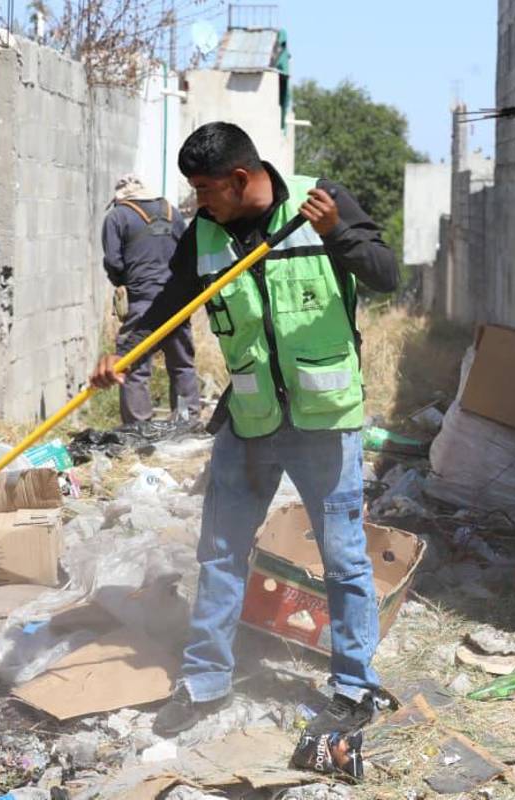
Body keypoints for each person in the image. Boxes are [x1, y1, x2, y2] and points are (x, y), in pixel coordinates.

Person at [91, 122, 399, 739]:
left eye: (205, 189)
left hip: (324, 418)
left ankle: (353, 688)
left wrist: (335, 231)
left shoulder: (320, 201)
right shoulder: (203, 233)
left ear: (239, 179)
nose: (196, 203)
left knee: (341, 561)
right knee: (222, 553)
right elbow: (167, 302)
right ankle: (205, 682)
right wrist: (125, 354)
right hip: (250, 416)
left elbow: (385, 272)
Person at [101, 174, 200, 424]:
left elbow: (113, 261)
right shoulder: (172, 211)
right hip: (177, 300)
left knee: (134, 367)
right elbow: (189, 249)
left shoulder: (117, 216)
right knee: (182, 365)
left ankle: (138, 428)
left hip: (142, 302)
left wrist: (121, 282)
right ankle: (187, 422)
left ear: (121, 197)